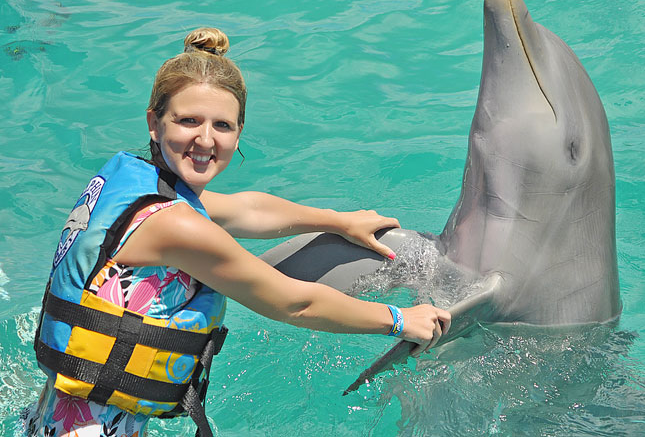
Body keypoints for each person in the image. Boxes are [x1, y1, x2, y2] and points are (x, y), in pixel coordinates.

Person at [23, 27, 451, 437]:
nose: (205, 139)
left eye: (222, 126)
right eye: (188, 120)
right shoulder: (174, 225)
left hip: (52, 418)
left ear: (239, 130)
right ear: (155, 123)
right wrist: (399, 320)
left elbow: (246, 208)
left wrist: (337, 220)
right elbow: (294, 303)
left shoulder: (133, 189)